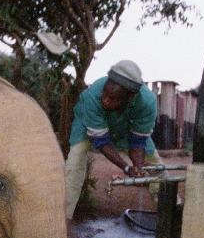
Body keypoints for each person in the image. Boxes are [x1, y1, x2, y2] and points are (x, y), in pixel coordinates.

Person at [64, 60, 162, 219]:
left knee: (157, 168)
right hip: (87, 122)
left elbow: (138, 141)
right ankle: (63, 219)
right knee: (74, 164)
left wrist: (138, 167)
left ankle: (173, 214)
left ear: (129, 98)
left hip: (126, 126)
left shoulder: (147, 102)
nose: (105, 101)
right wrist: (126, 168)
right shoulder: (93, 96)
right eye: (105, 94)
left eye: (113, 98)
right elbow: (101, 142)